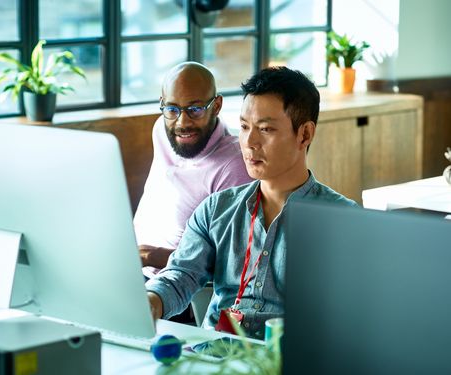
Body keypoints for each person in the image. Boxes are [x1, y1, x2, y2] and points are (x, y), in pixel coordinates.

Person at [145, 66, 357, 340]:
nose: (250, 142)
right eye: (244, 127)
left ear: (304, 135)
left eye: (266, 129)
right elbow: (181, 275)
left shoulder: (343, 221)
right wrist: (152, 299)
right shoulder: (215, 209)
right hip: (214, 358)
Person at [133, 62, 252, 275]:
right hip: (131, 267)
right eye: (172, 109)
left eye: (195, 109)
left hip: (174, 288)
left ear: (216, 106)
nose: (182, 122)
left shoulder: (234, 164)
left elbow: (231, 260)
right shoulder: (161, 129)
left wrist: (151, 256)